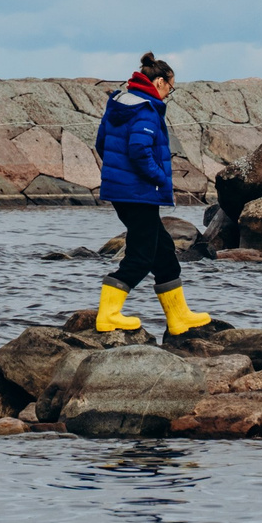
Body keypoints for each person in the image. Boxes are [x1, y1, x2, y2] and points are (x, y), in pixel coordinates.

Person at [91, 51, 211, 336]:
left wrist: (120, 176)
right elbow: (139, 151)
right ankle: (107, 315)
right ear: (158, 82)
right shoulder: (145, 109)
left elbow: (101, 144)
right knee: (141, 256)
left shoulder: (120, 103)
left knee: (164, 253)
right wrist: (160, 179)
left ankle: (178, 317)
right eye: (170, 86)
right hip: (137, 194)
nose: (170, 92)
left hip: (126, 192)